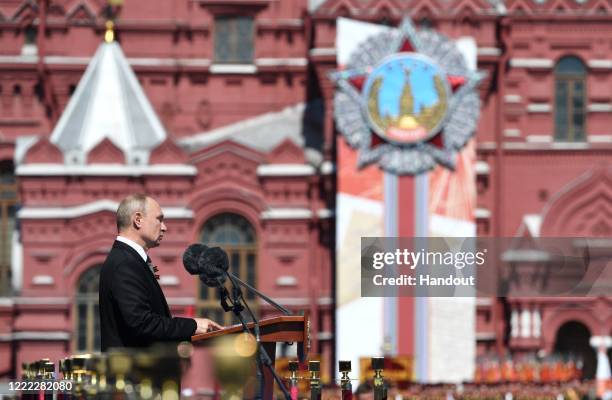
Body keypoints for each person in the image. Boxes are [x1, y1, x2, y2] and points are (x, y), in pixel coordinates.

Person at [99, 193, 222, 351]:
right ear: (138, 220)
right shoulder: (125, 263)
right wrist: (194, 326)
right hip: (133, 371)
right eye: (159, 219)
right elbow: (142, 323)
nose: (164, 227)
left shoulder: (128, 259)